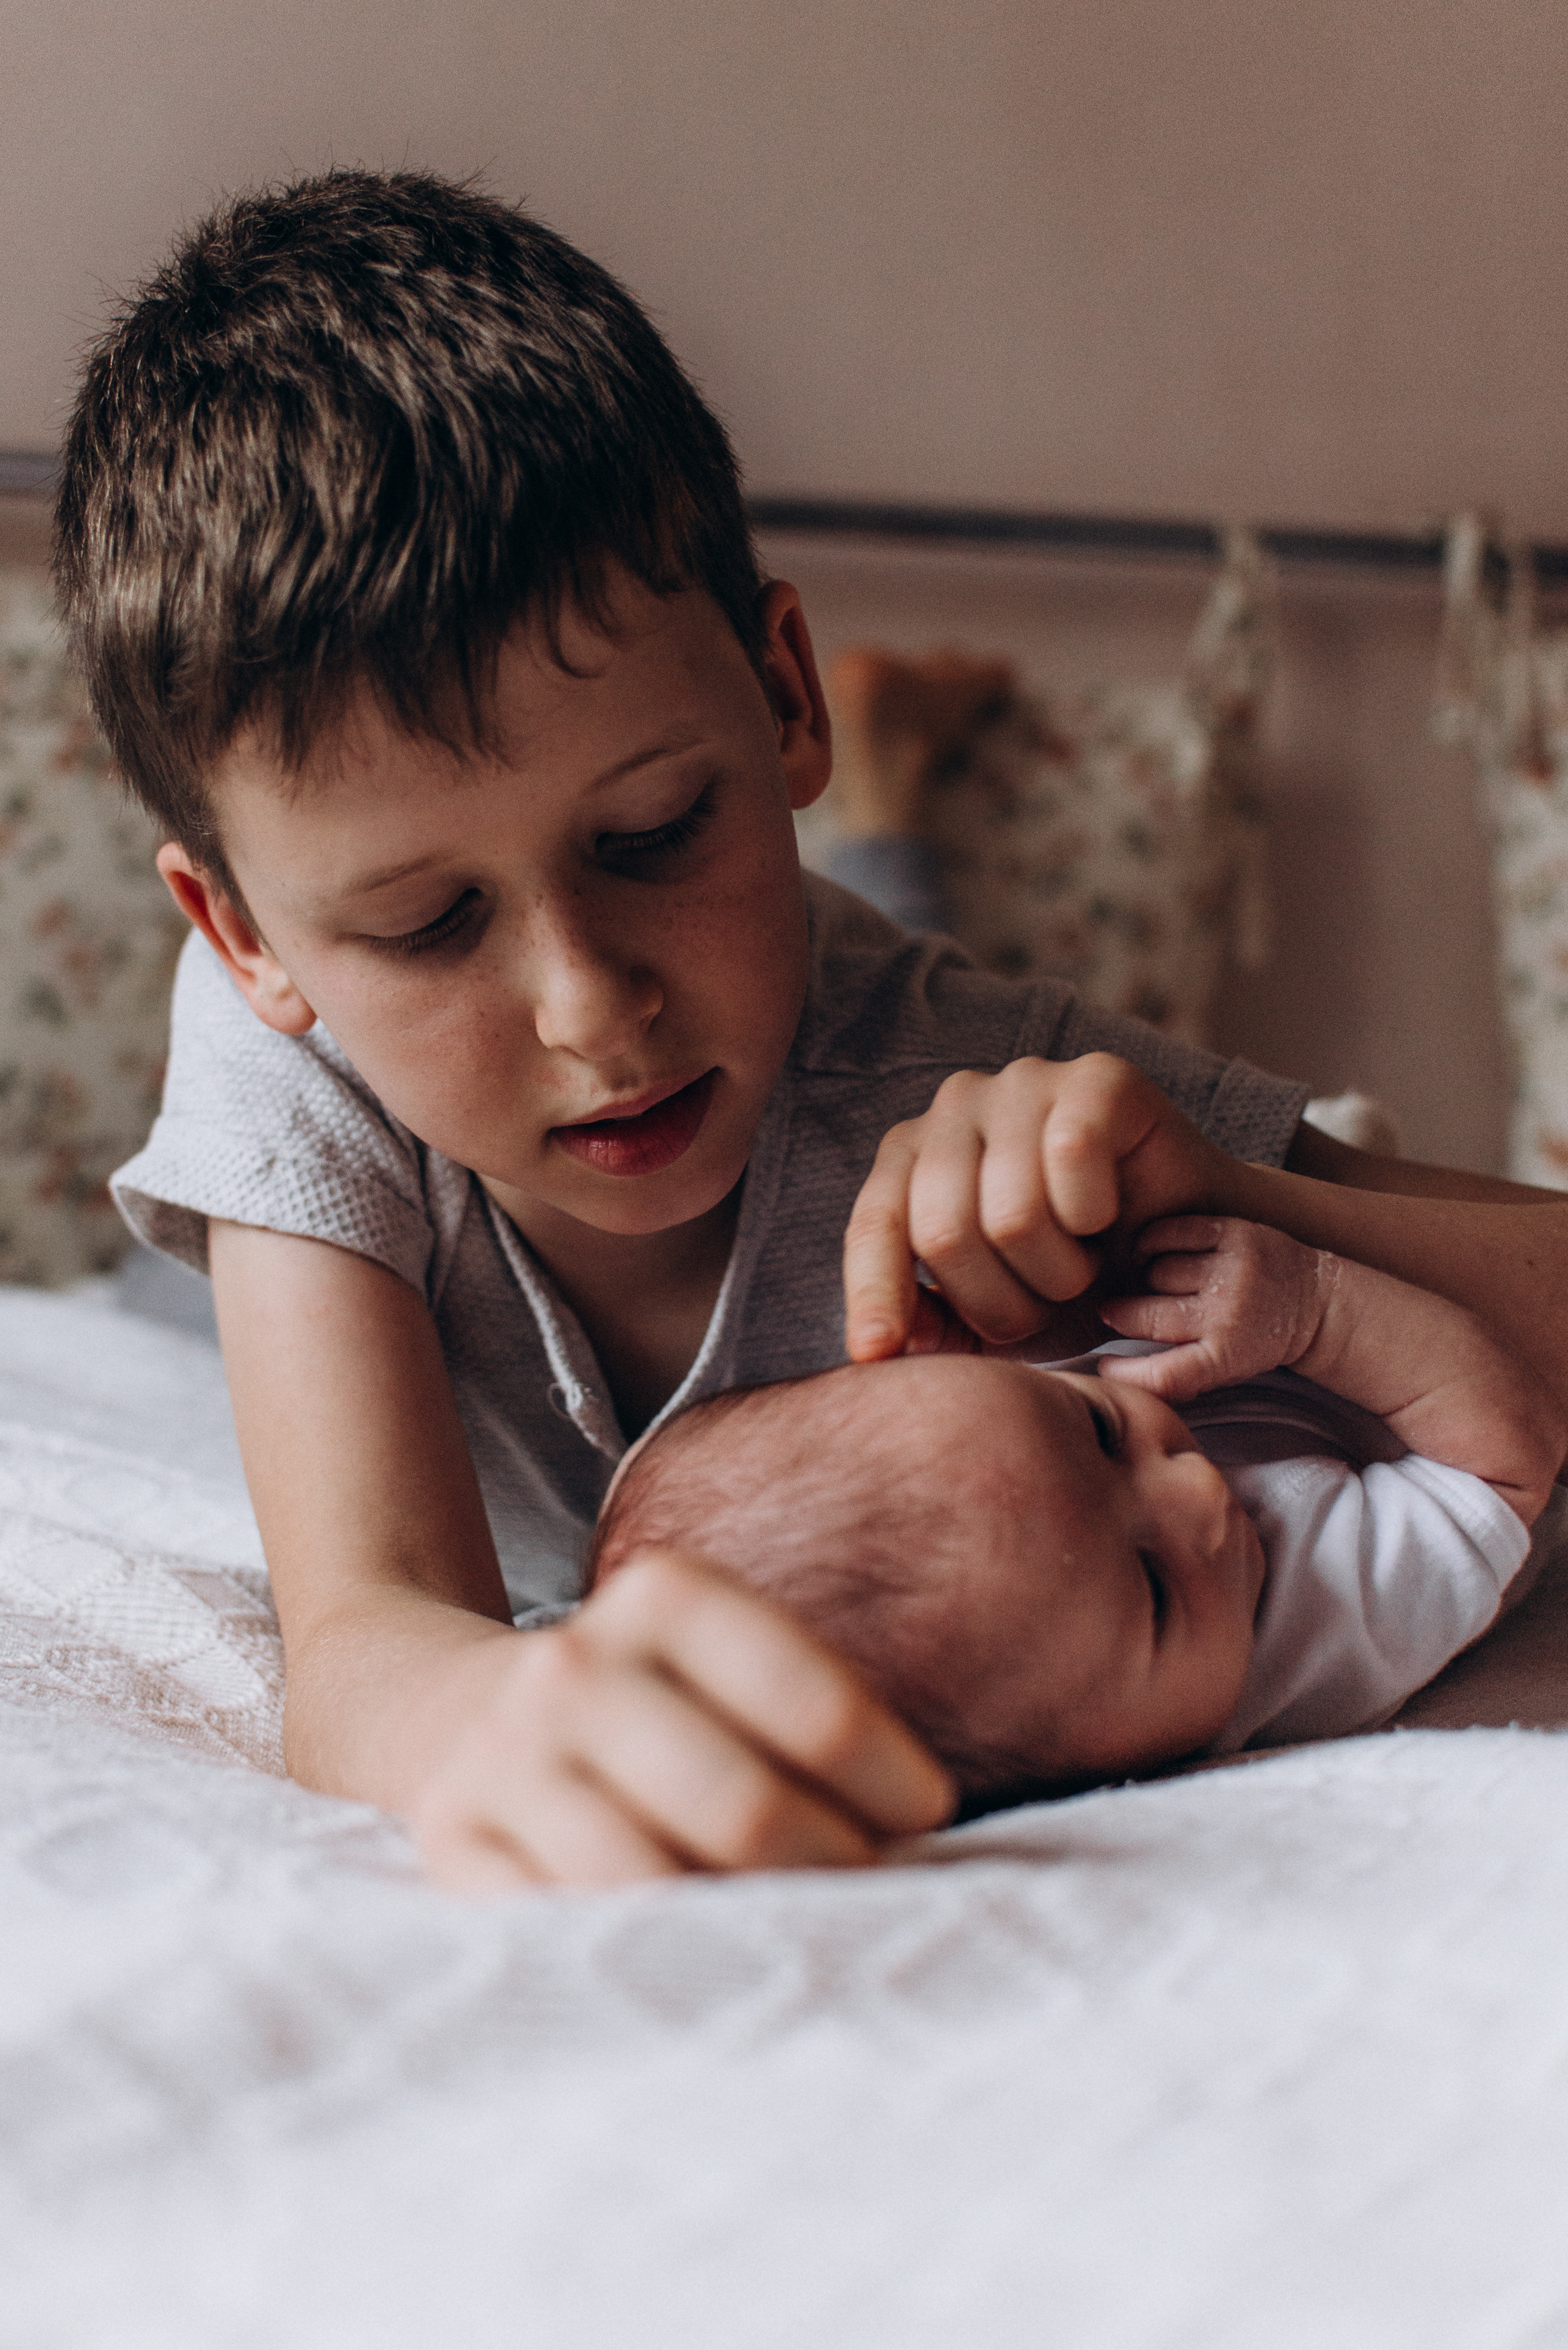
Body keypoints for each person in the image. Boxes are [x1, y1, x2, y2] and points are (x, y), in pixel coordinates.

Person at [57, 167, 1568, 1893]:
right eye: (426, 925)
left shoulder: (959, 1079)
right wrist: (504, 1711)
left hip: (877, 1015)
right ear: (244, 935)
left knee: (868, 977)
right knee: (135, 1304)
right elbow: (368, 1629)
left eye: (652, 833)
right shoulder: (291, 1050)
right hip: (207, 1304)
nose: (590, 1008)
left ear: (780, 697)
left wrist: (1239, 1187)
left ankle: (885, 799)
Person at [591, 1215, 1567, 1799]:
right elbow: (1506, 1446)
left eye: (1099, 1433)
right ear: (1115, 1774)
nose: (1193, 1491)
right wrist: (1317, 1306)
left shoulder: (1025, 1482)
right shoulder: (1313, 1634)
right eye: (1153, 1592)